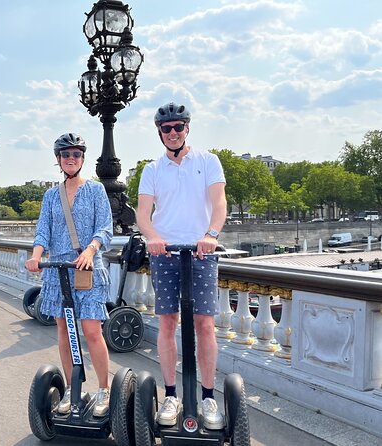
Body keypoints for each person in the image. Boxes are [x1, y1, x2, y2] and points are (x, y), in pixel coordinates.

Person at [136, 102, 227, 430]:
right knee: (167, 322)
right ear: (159, 132)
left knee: (204, 324)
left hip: (202, 254)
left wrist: (211, 235)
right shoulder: (152, 169)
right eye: (166, 129)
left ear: (187, 128)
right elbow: (143, 215)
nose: (173, 133)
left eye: (178, 127)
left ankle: (207, 395)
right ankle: (171, 394)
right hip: (165, 255)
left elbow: (219, 203)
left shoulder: (208, 161)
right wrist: (153, 238)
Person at [24, 133, 113, 417]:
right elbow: (43, 231)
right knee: (64, 331)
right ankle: (76, 390)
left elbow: (105, 228)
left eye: (75, 154)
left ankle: (104, 389)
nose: (70, 159)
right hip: (58, 271)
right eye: (65, 155)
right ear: (58, 160)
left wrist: (90, 250)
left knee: (91, 330)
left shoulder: (96, 190)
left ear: (82, 158)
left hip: (87, 268)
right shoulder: (51, 196)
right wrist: (36, 257)